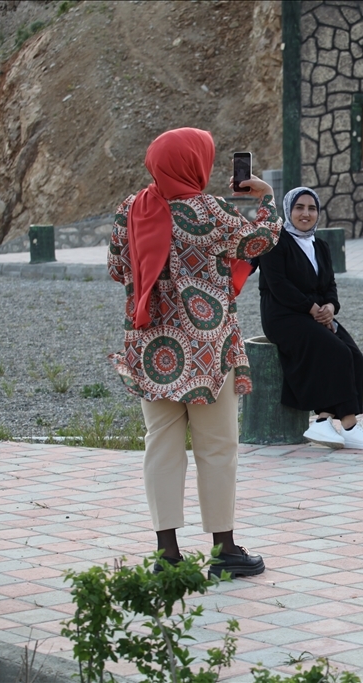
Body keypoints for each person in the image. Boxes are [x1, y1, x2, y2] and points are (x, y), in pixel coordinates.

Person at [108, 127, 282, 577]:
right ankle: (224, 551)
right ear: (195, 164)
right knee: (217, 447)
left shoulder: (130, 209)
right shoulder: (211, 210)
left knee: (161, 447)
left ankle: (167, 555)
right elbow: (258, 242)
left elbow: (116, 267)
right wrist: (266, 198)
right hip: (208, 349)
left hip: (152, 348)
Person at [256, 187, 363, 450]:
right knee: (334, 351)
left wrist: (330, 307)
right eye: (299, 208)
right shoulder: (274, 242)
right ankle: (348, 426)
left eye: (312, 208)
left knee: (353, 355)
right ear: (288, 210)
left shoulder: (321, 245)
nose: (306, 213)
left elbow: (330, 285)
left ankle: (324, 419)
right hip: (283, 315)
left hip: (315, 314)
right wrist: (312, 308)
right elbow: (278, 285)